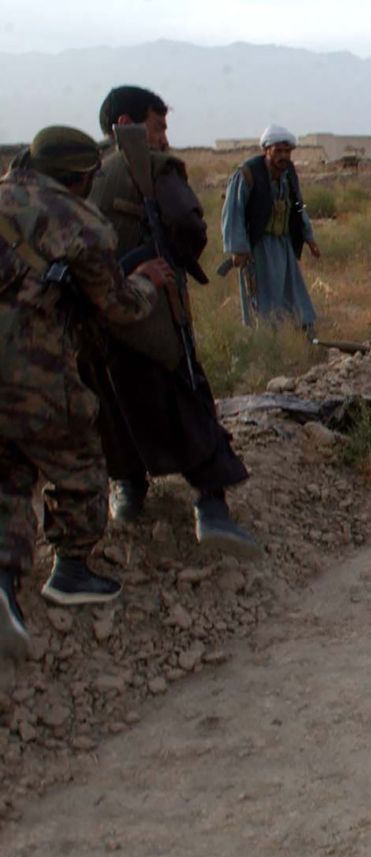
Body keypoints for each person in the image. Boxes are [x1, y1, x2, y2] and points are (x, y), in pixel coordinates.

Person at [1, 126, 173, 657]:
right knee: (77, 458)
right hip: (28, 362)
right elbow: (118, 305)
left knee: (6, 468)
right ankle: (71, 569)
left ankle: (3, 586)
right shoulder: (79, 219)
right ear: (80, 179)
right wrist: (147, 279)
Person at [84, 85, 258, 554]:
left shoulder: (84, 173)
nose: (163, 138)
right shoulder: (155, 168)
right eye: (157, 126)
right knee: (189, 405)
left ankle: (129, 496)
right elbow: (189, 225)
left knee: (115, 415)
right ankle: (212, 511)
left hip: (98, 326)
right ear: (127, 126)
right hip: (154, 319)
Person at [220, 124, 322, 337]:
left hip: (284, 245)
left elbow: (298, 205)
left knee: (294, 294)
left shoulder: (289, 173)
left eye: (287, 151)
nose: (284, 156)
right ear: (266, 150)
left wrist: (308, 236)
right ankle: (266, 343)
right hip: (258, 247)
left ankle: (305, 338)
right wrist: (238, 248)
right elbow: (233, 210)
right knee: (264, 301)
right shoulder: (247, 173)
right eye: (278, 151)